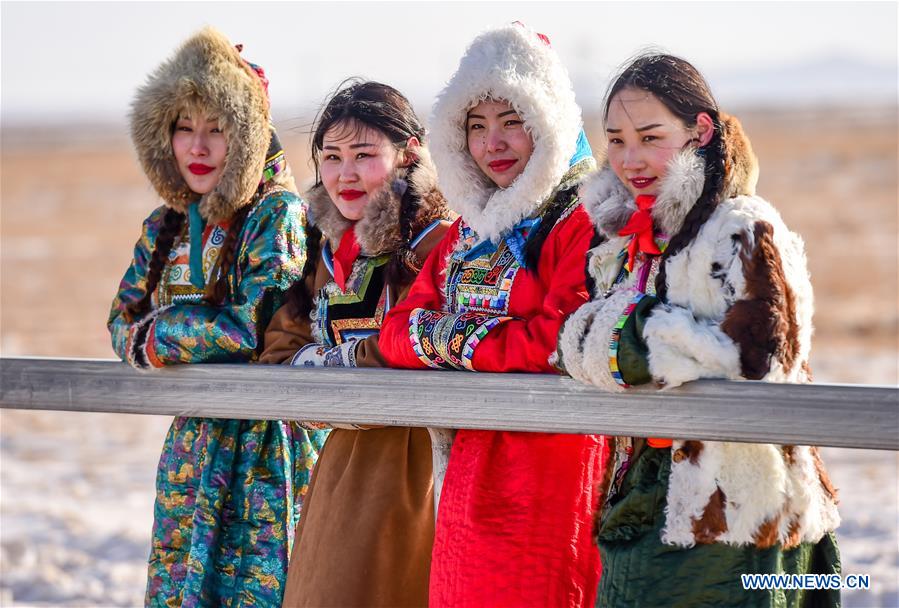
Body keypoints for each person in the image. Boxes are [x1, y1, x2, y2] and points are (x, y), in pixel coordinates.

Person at [556, 53, 841, 607]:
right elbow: (570, 344)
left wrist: (627, 340)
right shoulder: (619, 244)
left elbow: (761, 355)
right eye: (614, 140)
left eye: (650, 136)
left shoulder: (741, 225)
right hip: (641, 494)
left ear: (700, 131)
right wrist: (629, 343)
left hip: (742, 510)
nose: (629, 158)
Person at [379, 23, 608, 608]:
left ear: (548, 123)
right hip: (468, 467)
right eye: (476, 127)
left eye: (512, 122)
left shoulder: (580, 223)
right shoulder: (466, 234)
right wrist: (469, 341)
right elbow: (396, 331)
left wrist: (454, 341)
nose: (493, 143)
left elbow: (561, 339)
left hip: (551, 468)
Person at [107, 27, 327, 606]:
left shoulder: (276, 214)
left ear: (248, 137)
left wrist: (157, 336)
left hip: (264, 447)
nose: (197, 148)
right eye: (184, 128)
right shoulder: (165, 226)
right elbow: (121, 321)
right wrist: (148, 336)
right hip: (192, 443)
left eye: (217, 130)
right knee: (181, 590)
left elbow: (249, 328)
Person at [259, 80, 453, 607]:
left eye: (365, 155)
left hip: (421, 469)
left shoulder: (437, 244)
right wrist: (328, 371)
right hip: (342, 469)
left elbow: (409, 347)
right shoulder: (322, 252)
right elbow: (279, 349)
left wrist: (325, 367)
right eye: (332, 156)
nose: (345, 173)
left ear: (409, 153)